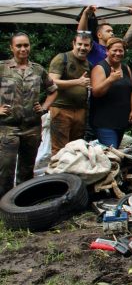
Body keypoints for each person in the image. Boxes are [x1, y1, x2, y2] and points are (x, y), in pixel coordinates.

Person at [0, 33, 58, 195]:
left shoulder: (38, 69)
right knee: (5, 169)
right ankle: (4, 207)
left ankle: (19, 204)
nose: (23, 49)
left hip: (32, 127)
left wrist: (45, 107)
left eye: (26, 45)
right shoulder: (2, 68)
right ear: (11, 48)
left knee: (27, 169)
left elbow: (53, 91)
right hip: (7, 127)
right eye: (19, 46)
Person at [48, 32, 91, 154]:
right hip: (61, 109)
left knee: (77, 149)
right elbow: (52, 82)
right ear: (74, 43)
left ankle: (71, 173)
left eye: (86, 45)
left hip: (80, 111)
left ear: (90, 47)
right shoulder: (62, 58)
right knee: (59, 150)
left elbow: (87, 84)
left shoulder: (88, 64)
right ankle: (57, 173)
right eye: (80, 44)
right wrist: (78, 82)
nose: (82, 48)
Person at [90, 38, 132, 148]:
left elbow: (131, 90)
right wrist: (110, 79)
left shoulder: (126, 68)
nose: (118, 53)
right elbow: (96, 92)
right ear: (107, 51)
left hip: (121, 120)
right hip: (105, 121)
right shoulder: (100, 68)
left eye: (121, 51)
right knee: (111, 152)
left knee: (115, 152)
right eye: (114, 50)